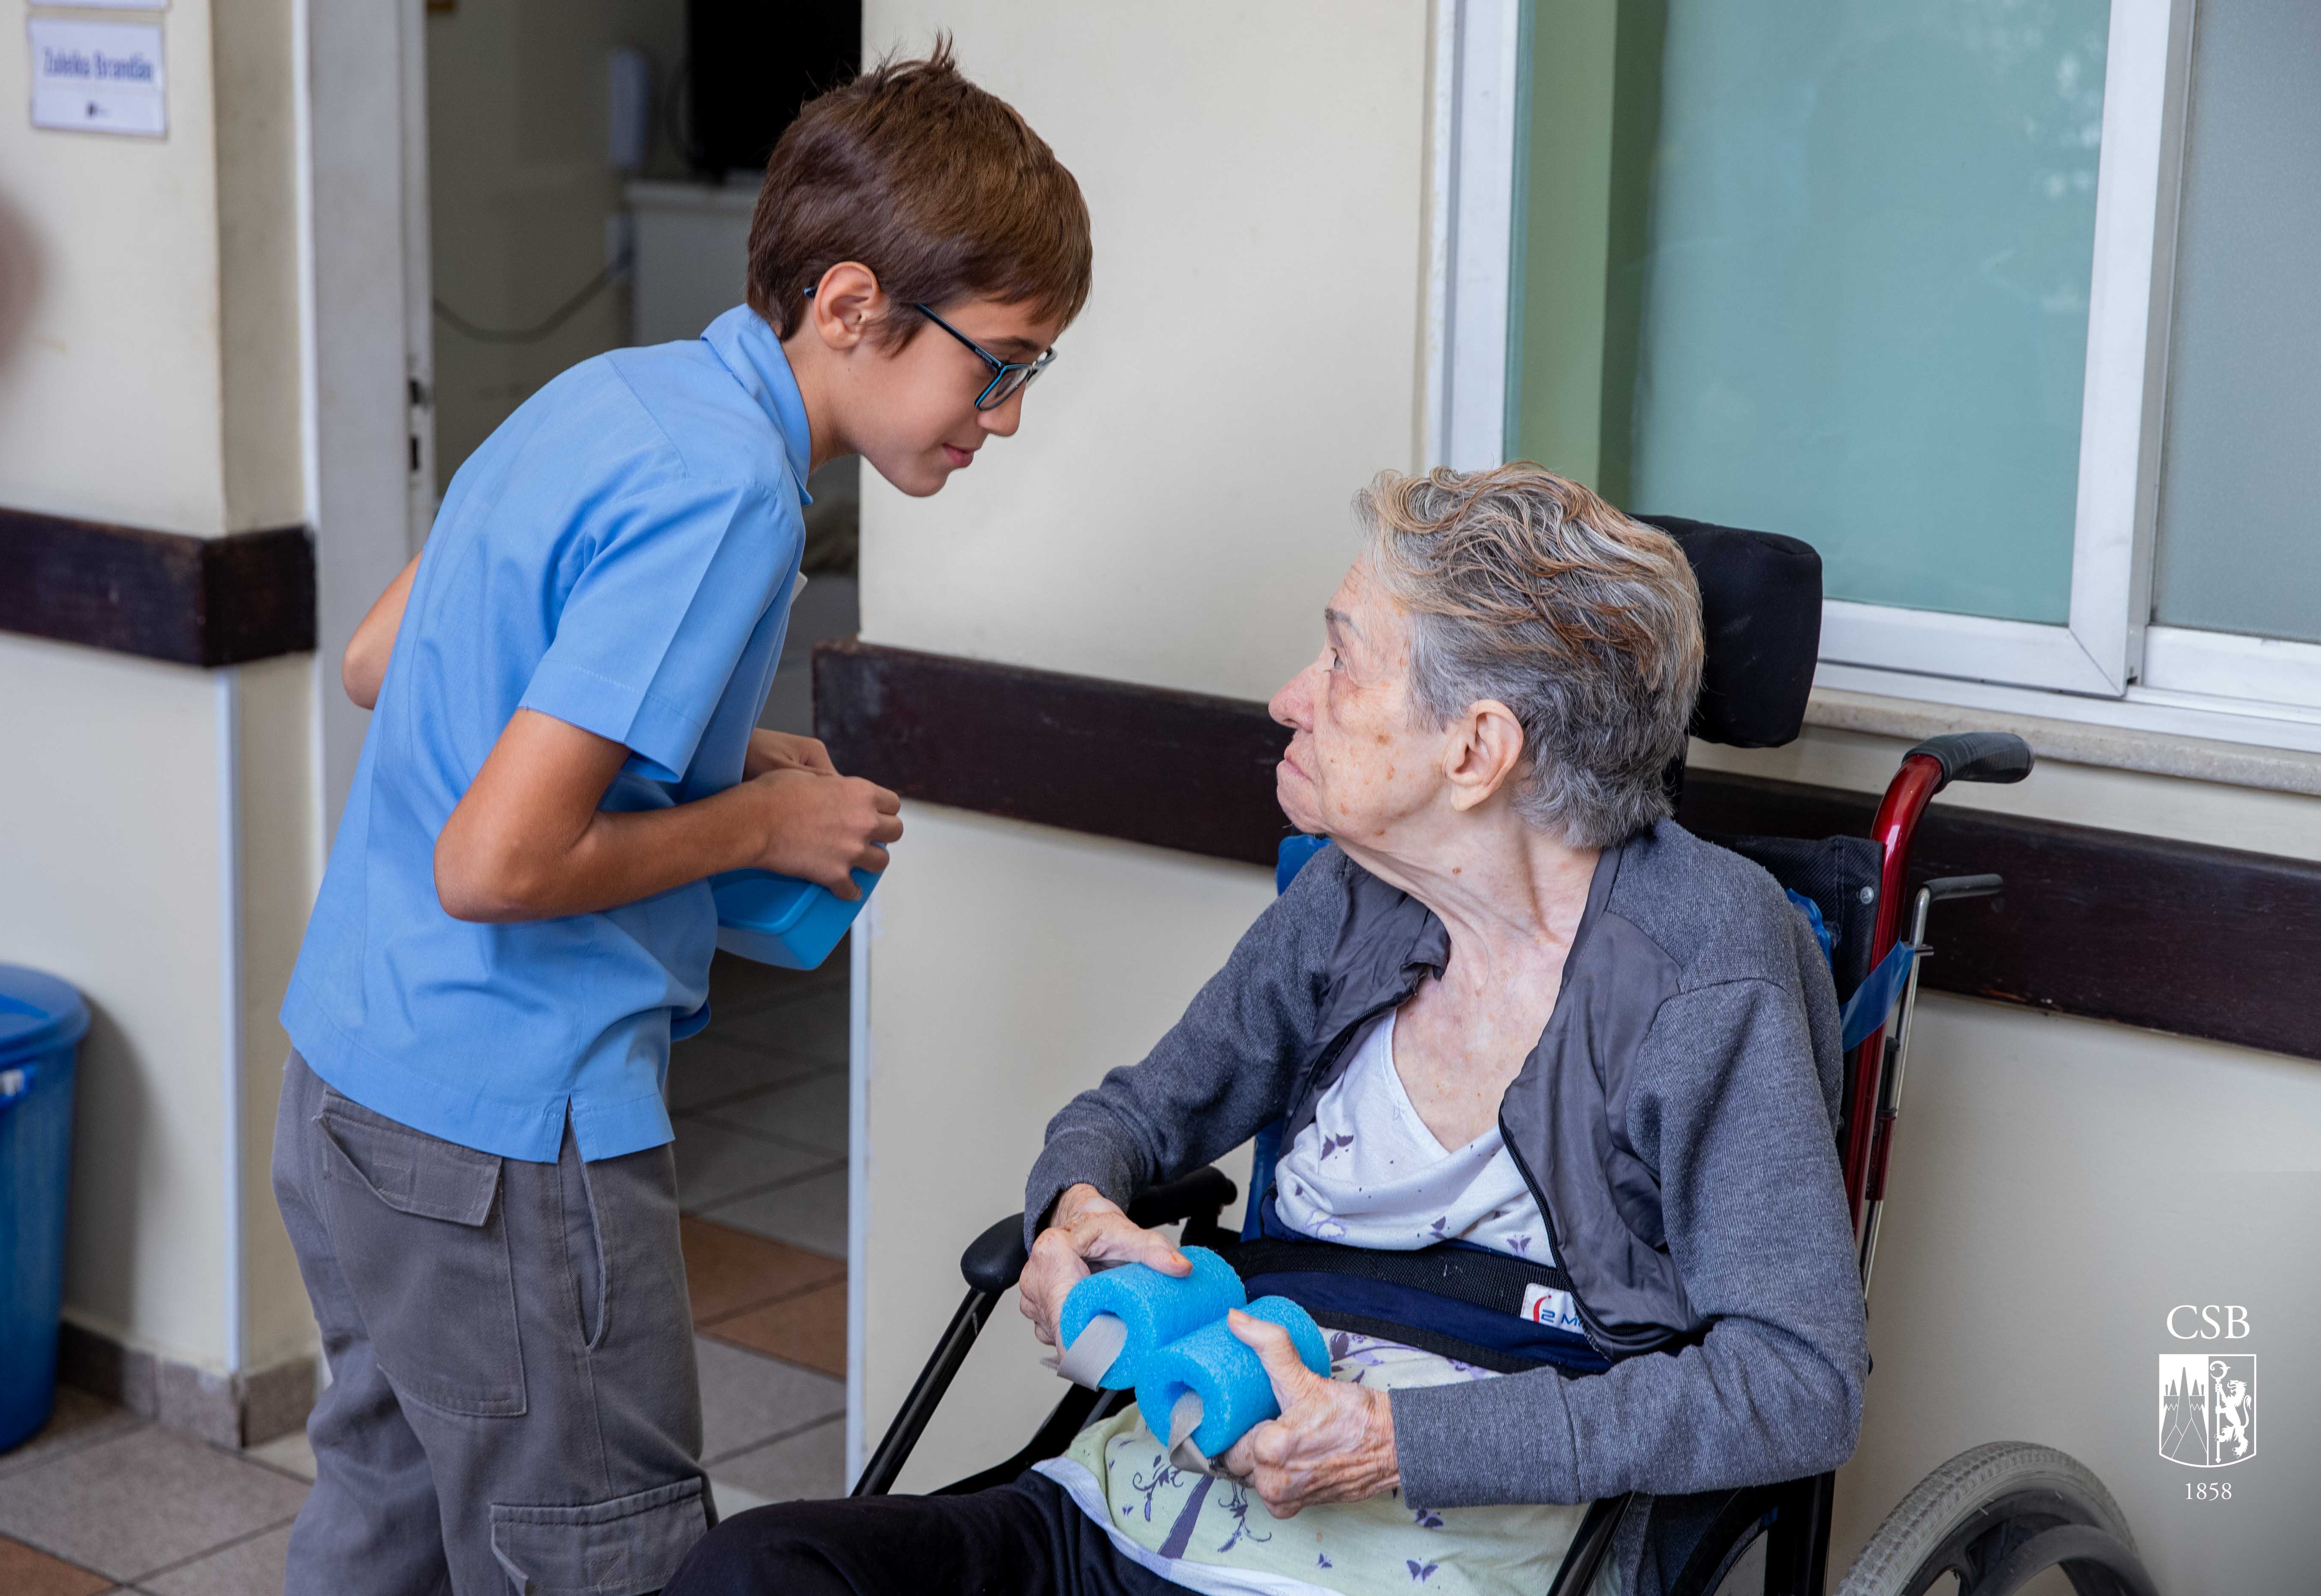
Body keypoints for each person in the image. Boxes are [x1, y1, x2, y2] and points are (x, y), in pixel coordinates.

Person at [666, 463, 1868, 1596]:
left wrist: (1397, 1439)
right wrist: (1073, 1206)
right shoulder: (1355, 891)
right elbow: (1132, 1114)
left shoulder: (1707, 964)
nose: (1291, 697)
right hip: (1146, 1499)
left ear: (1476, 748)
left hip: (1457, 1555)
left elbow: (1795, 1382)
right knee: (764, 1567)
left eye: (1341, 661)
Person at [271, 44, 1092, 1596]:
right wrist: (757, 831)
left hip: (349, 1083)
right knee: (604, 1562)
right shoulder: (735, 495)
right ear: (854, 308)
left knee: (384, 1523)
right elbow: (497, 860)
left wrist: (705, 757)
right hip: (504, 1134)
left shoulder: (619, 393)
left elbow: (393, 661)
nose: (1006, 413)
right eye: (1000, 362)